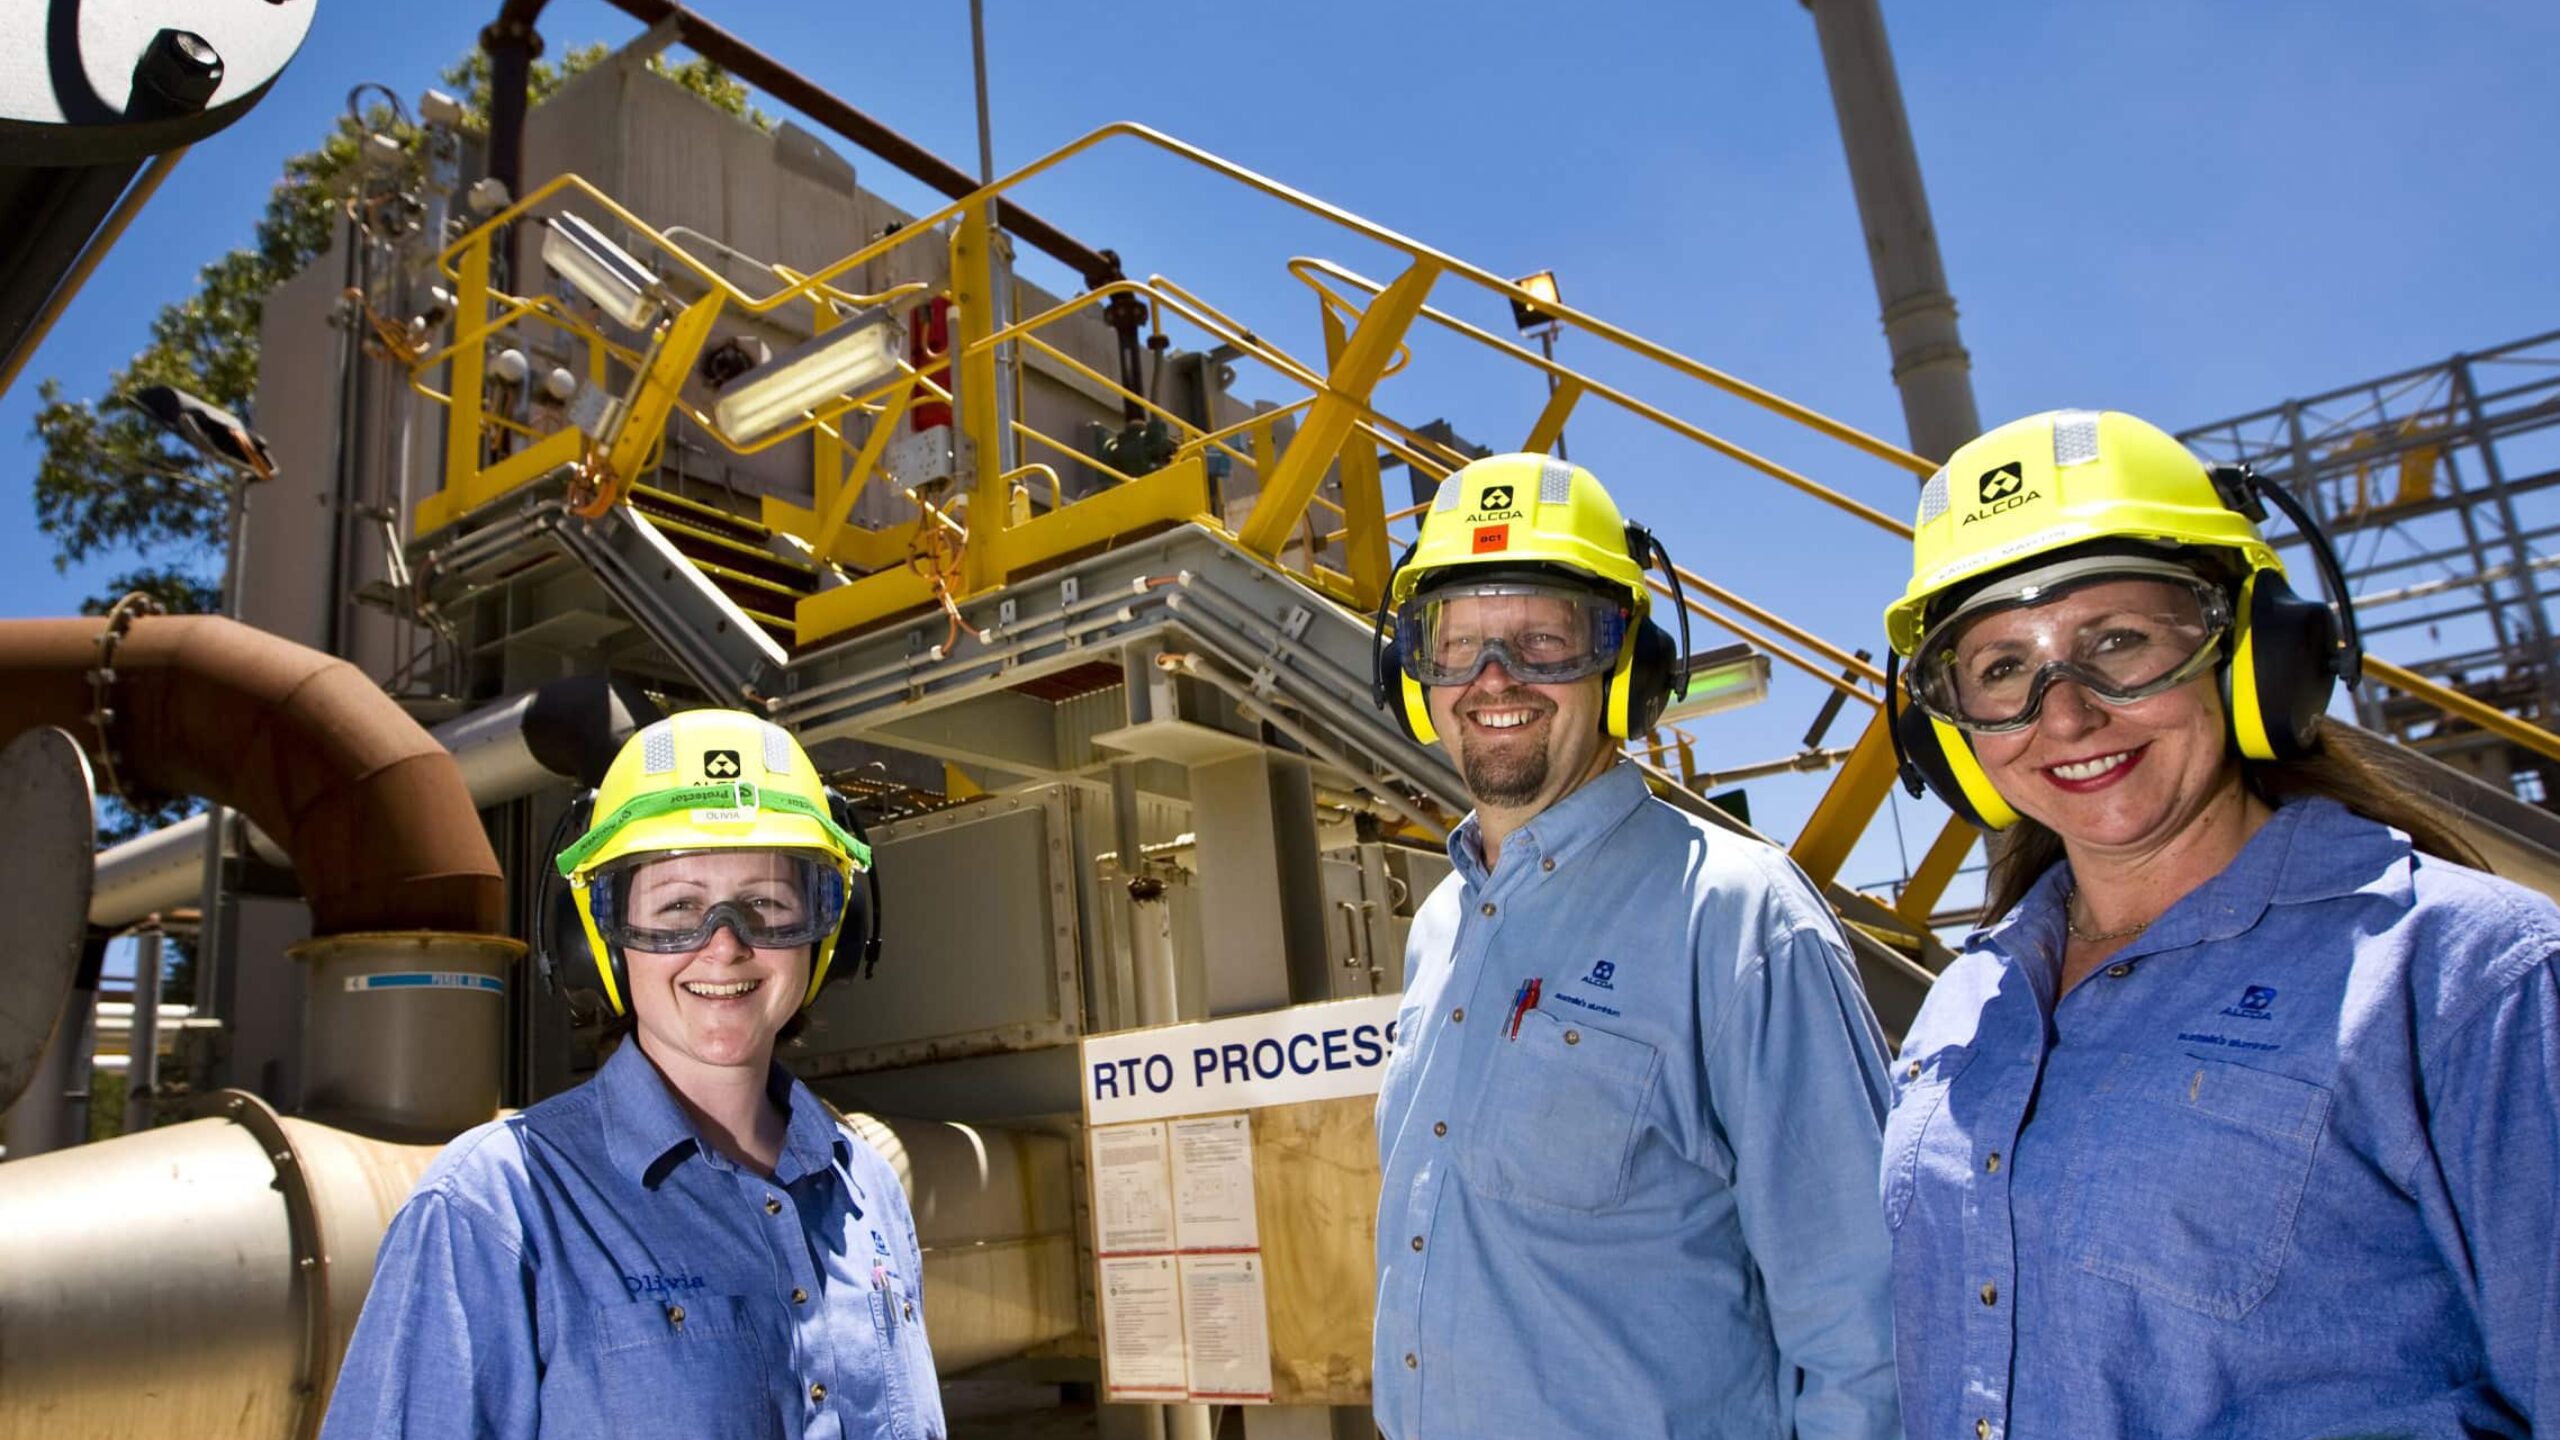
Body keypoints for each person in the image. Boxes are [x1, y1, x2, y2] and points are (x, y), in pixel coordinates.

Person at [1879, 408, 2560, 1439]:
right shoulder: (1969, 1003)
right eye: (2003, 670)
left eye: (2118, 643)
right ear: (1950, 736)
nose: (2064, 717)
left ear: (2251, 654)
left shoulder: (2466, 976)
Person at [1369, 452, 1901, 1439]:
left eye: (1543, 641)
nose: (1494, 680)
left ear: (1625, 669)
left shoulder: (1737, 915)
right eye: (1458, 645)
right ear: (1411, 676)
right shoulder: (1439, 923)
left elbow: (1864, 1327)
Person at [321, 709, 944, 1440]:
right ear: (595, 940)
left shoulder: (867, 1191)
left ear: (831, 933)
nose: (724, 946)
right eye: (676, 907)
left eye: (768, 905)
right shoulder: (496, 1209)